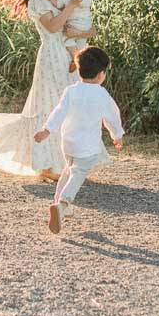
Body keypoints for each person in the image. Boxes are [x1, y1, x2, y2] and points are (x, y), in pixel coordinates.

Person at [0, 0, 85, 183]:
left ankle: (70, 162)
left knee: (72, 108)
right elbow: (53, 27)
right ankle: (47, 164)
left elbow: (81, 22)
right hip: (51, 57)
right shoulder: (37, 0)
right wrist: (71, 8)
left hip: (72, 56)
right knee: (49, 108)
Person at [34, 46, 124, 234]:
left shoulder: (70, 91)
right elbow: (112, 117)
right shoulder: (101, 94)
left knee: (68, 170)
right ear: (101, 75)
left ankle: (58, 205)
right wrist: (117, 135)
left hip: (68, 143)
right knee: (79, 172)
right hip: (88, 147)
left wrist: (46, 130)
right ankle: (64, 202)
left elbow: (58, 112)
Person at [57, 0, 95, 72]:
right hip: (81, 24)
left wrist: (79, 0)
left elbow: (88, 3)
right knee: (80, 44)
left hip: (80, 23)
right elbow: (60, 4)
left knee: (66, 39)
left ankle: (76, 57)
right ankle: (79, 59)